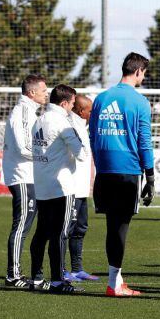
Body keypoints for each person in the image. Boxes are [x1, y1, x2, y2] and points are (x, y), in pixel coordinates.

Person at [89, 52, 154, 297]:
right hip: (128, 172)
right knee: (120, 229)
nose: (143, 77)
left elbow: (93, 136)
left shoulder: (101, 98)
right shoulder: (139, 102)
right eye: (144, 73)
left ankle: (116, 279)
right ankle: (114, 284)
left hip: (104, 171)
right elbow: (144, 141)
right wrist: (150, 176)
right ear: (137, 71)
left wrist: (101, 163)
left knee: (112, 226)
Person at [27, 85, 85, 293]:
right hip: (61, 186)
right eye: (71, 103)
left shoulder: (39, 120)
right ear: (64, 103)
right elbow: (81, 153)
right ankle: (59, 281)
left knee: (41, 232)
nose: (72, 107)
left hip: (41, 184)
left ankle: (36, 278)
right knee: (60, 234)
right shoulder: (62, 121)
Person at [3, 74, 46, 288]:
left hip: (30, 176)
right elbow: (23, 147)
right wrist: (47, 155)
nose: (46, 93)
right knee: (21, 225)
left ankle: (20, 273)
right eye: (43, 90)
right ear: (32, 93)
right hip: (22, 176)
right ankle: (13, 276)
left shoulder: (30, 112)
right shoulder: (22, 112)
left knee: (26, 224)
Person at [64, 94, 97, 282]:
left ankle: (77, 269)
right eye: (90, 110)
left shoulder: (82, 126)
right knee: (67, 229)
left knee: (81, 228)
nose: (92, 113)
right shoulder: (72, 126)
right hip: (72, 189)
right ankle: (62, 269)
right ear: (80, 111)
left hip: (82, 189)